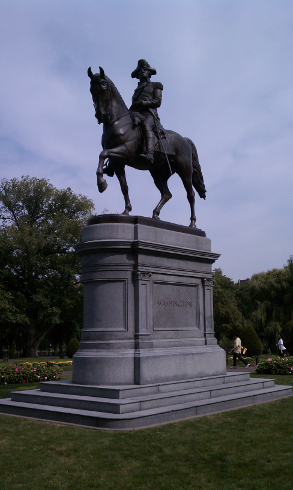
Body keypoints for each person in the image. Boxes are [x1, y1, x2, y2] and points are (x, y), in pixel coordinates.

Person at [130, 59, 164, 164]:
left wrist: (143, 103)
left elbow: (157, 102)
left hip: (150, 115)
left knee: (146, 125)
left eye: (145, 70)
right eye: (140, 70)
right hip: (137, 114)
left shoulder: (156, 85)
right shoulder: (136, 91)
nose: (142, 72)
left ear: (149, 72)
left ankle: (149, 153)